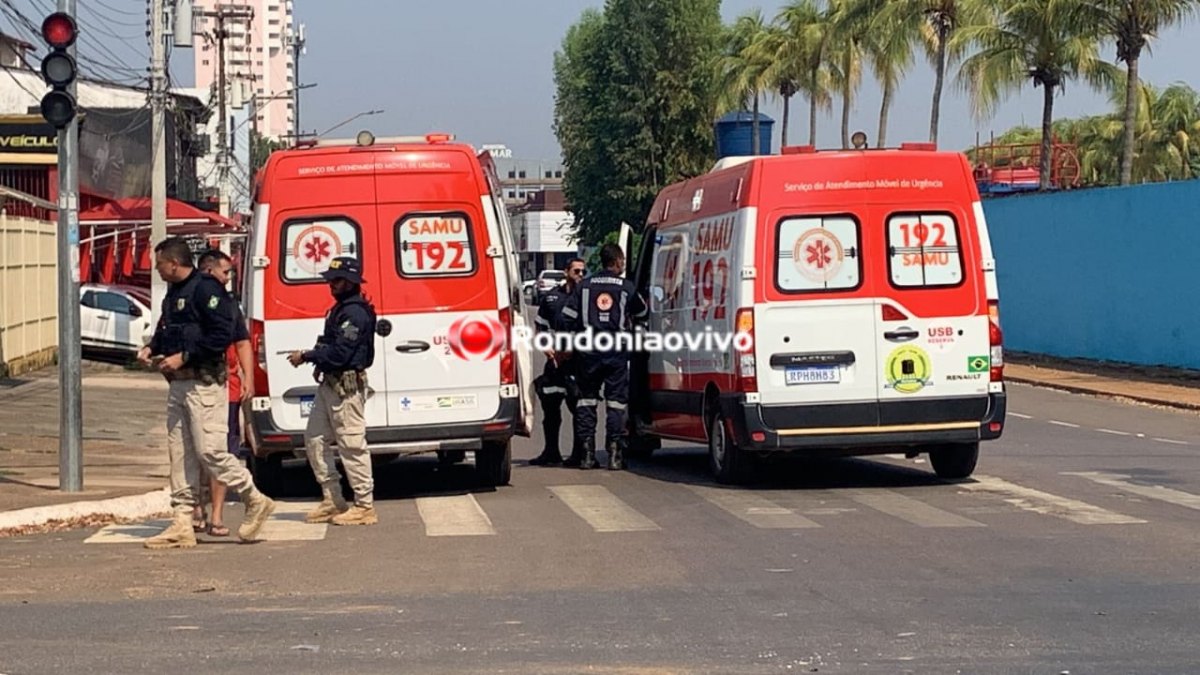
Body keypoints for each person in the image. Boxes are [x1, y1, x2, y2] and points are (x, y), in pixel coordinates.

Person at [137, 237, 276, 549]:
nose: (156, 269)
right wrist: (152, 348)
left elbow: (221, 334)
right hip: (179, 385)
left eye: (158, 263)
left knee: (210, 452)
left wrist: (185, 356)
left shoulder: (206, 289)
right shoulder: (173, 294)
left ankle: (254, 498)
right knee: (181, 454)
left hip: (205, 386)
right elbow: (165, 329)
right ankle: (182, 522)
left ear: (173, 263)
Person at [287, 256, 379, 526]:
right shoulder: (339, 310)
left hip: (346, 387)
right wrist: (318, 360)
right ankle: (332, 499)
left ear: (351, 282)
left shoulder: (355, 313)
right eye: (330, 280)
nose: (332, 285)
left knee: (351, 445)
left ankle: (364, 505)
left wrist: (307, 356)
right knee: (314, 439)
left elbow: (340, 353)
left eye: (337, 280)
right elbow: (331, 346)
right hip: (330, 383)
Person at [556, 243, 648, 470]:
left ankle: (587, 455)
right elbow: (643, 312)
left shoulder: (584, 286)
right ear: (617, 261)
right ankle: (615, 455)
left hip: (587, 352)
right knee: (616, 403)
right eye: (623, 262)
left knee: (586, 401)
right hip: (616, 352)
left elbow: (566, 317)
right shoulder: (627, 287)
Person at [192, 249, 255, 538]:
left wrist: (248, 380)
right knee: (195, 453)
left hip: (225, 389)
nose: (228, 278)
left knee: (220, 453)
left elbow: (242, 343)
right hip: (195, 387)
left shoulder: (229, 305)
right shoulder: (189, 300)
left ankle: (216, 515)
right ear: (208, 271)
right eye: (225, 272)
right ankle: (195, 508)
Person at [529, 257, 585, 467]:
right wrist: (546, 348)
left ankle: (579, 455)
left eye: (583, 272)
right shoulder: (552, 298)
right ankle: (551, 452)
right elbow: (540, 326)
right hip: (553, 364)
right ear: (566, 272)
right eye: (577, 271)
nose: (580, 275)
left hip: (576, 363)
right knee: (550, 409)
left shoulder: (585, 298)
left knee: (578, 408)